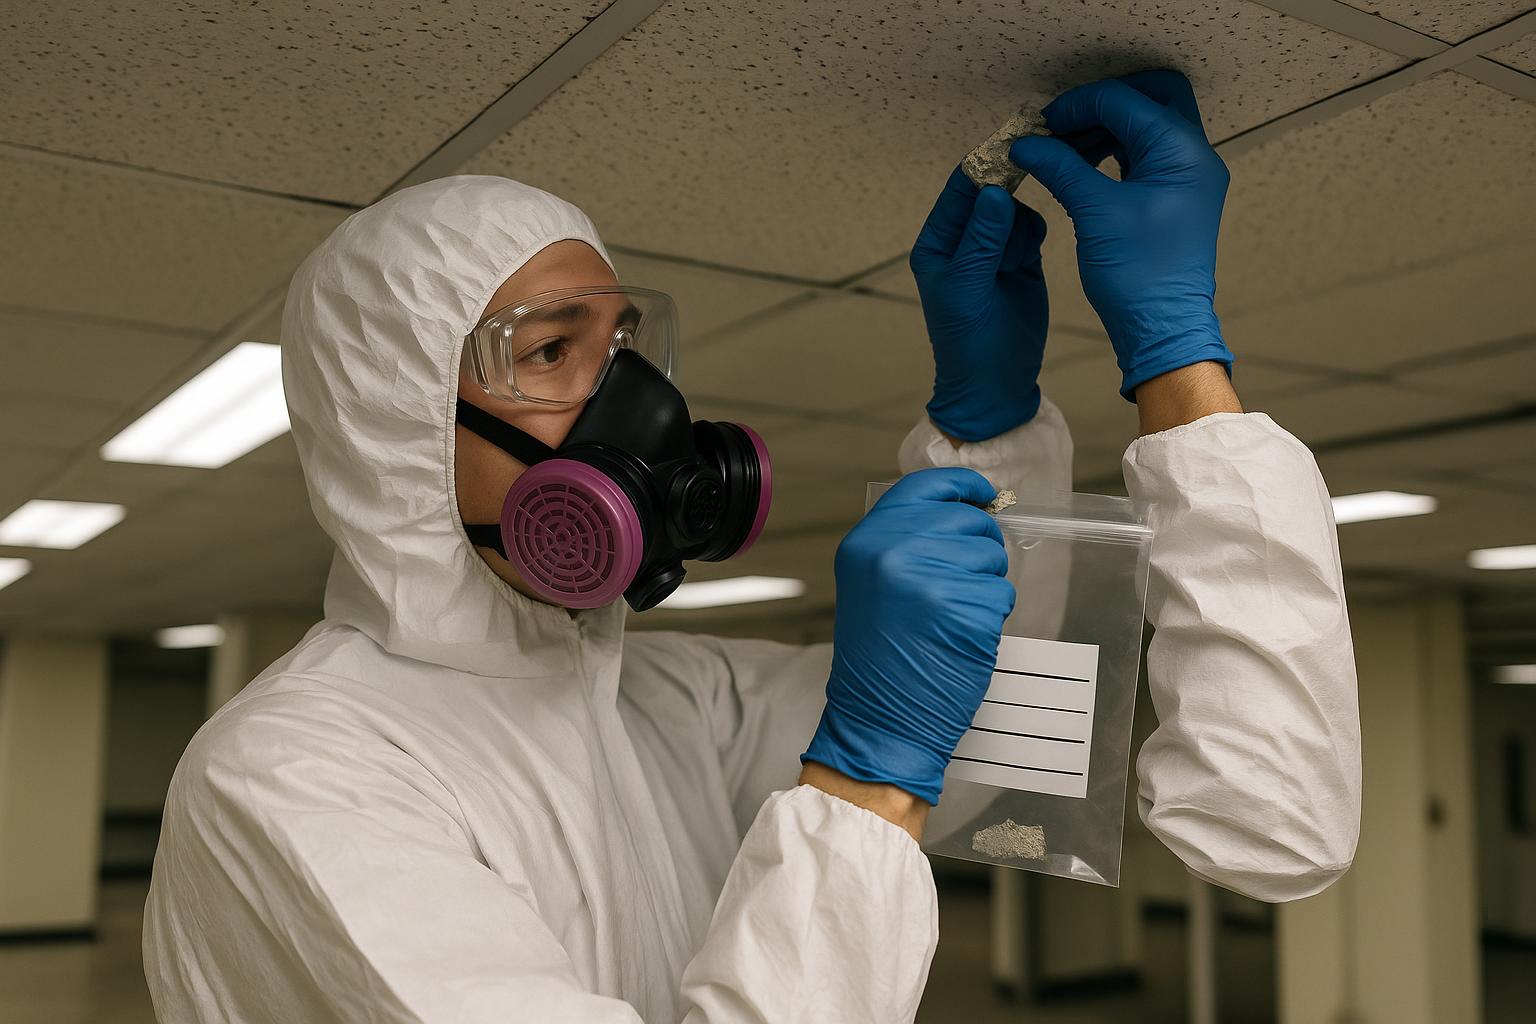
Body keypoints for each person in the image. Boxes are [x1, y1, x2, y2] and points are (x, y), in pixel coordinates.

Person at [143, 71, 1360, 1023]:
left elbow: (985, 750)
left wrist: (1045, 419)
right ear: (393, 425)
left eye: (626, 347)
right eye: (553, 350)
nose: (635, 403)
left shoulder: (660, 700)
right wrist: (860, 771)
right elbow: (884, 774)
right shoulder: (295, 779)